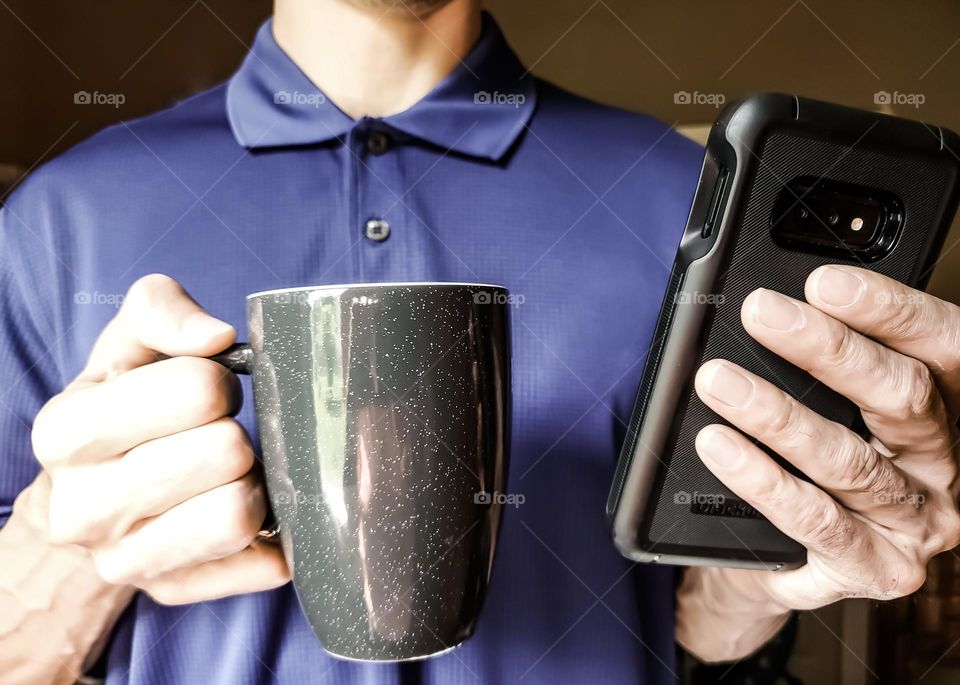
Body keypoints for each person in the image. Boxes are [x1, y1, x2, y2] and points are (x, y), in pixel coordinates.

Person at [2, 0, 959, 683]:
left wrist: (753, 594)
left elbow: (700, 631)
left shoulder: (686, 204)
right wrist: (62, 550)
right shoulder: (57, 215)